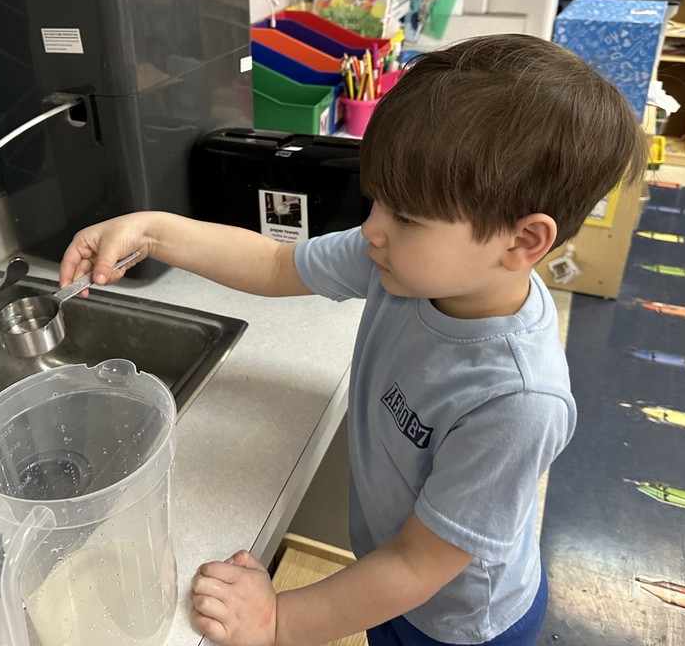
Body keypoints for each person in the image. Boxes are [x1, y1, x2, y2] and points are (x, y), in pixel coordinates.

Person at [59, 34, 648, 646]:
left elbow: (419, 566)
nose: (371, 228)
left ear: (523, 242)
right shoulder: (405, 265)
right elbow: (273, 265)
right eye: (378, 203)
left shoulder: (516, 401)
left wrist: (279, 620)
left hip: (459, 624)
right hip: (385, 582)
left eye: (408, 217)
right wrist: (153, 231)